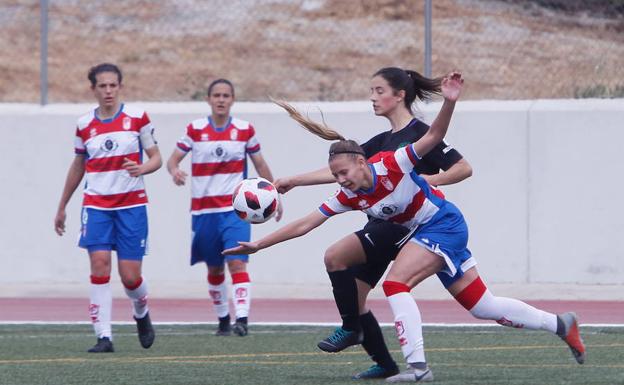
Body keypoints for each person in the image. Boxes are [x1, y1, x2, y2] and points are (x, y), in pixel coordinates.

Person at [224, 72, 586, 383]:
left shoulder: (391, 162)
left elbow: (432, 138)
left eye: (344, 173)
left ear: (363, 163)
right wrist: (258, 246)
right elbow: (305, 224)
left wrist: (449, 102)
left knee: (396, 284)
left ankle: (417, 367)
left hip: (442, 225)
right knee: (482, 306)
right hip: (424, 232)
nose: (340, 181)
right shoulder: (350, 194)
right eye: (335, 176)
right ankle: (560, 324)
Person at [274, 67, 473, 379]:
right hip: (382, 223)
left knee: (343, 263)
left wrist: (428, 181)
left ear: (400, 95)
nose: (372, 97)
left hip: (403, 227)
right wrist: (294, 180)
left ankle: (362, 336)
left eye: (379, 91)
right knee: (356, 294)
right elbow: (341, 172)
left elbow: (463, 168)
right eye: (372, 91)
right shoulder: (381, 141)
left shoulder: (419, 133)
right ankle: (384, 362)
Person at [54, 63, 161, 353]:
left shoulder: (138, 118)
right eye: (102, 86)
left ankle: (141, 311)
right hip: (97, 205)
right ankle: (104, 336)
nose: (108, 90)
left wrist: (143, 168)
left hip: (132, 206)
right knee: (100, 264)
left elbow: (156, 158)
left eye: (113, 85)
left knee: (130, 276)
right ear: (93, 89)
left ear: (120, 86)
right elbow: (78, 165)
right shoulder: (84, 124)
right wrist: (62, 205)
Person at [167, 78, 283, 337]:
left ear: (232, 100)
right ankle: (222, 319)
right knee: (214, 268)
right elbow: (173, 160)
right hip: (203, 211)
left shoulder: (244, 130)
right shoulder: (195, 129)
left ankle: (241, 319)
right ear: (208, 99)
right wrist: (175, 171)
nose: (221, 99)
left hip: (235, 210)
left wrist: (274, 195)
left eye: (226, 95)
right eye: (216, 95)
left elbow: (261, 165)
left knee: (237, 263)